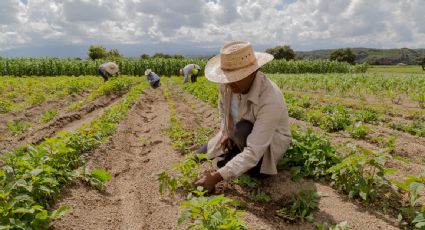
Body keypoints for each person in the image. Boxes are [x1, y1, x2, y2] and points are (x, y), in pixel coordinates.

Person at [193, 41, 292, 192]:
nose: (228, 83)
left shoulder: (270, 98)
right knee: (197, 156)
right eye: (227, 77)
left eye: (235, 77)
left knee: (242, 130)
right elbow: (223, 111)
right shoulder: (227, 86)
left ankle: (244, 166)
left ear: (252, 73)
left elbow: (254, 151)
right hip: (236, 135)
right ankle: (232, 154)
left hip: (265, 145)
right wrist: (225, 131)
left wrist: (217, 177)